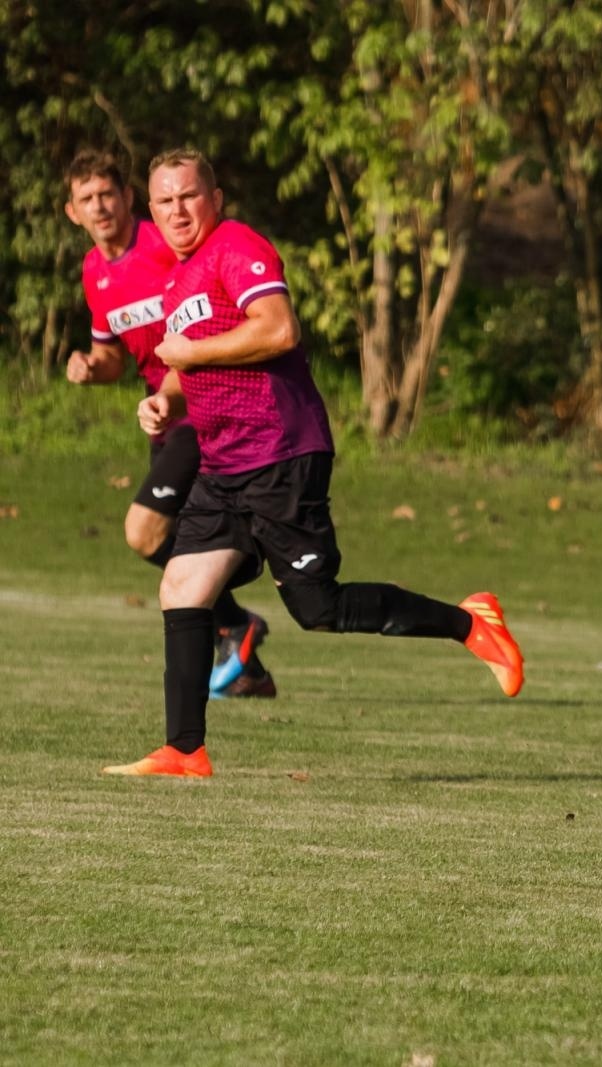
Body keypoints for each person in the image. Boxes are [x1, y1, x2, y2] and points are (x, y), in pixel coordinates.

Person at [101, 147, 525, 777]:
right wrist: (162, 400)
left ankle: (471, 623)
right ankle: (184, 751)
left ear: (215, 200)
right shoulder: (176, 280)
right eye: (164, 200)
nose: (177, 210)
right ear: (152, 210)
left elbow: (276, 331)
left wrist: (191, 358)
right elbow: (188, 369)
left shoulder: (237, 245)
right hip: (222, 467)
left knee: (318, 609)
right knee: (181, 587)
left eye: (189, 195)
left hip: (280, 451)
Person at [63, 149, 276, 697]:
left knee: (145, 528)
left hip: (202, 401)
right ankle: (246, 664)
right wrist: (90, 368)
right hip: (163, 409)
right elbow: (111, 355)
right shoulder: (95, 272)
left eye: (107, 194)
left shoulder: (165, 243)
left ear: (130, 198)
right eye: (87, 199)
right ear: (72, 212)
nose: (100, 206)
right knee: (169, 533)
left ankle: (233, 620)